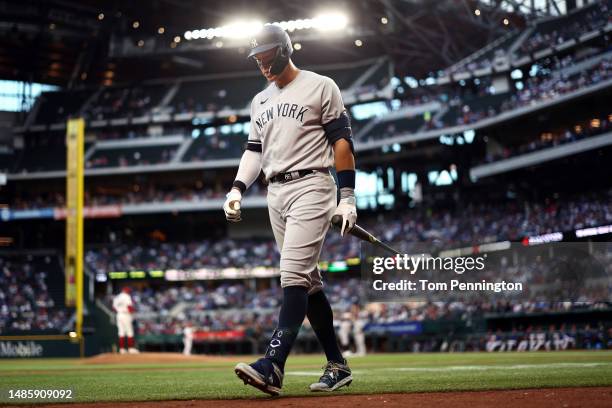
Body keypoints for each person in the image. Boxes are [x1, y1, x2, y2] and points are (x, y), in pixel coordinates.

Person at [225, 24, 356, 396]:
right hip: (275, 192)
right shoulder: (259, 101)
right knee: (309, 282)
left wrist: (347, 197)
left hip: (313, 184)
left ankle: (273, 365)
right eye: (258, 60)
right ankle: (338, 365)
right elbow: (254, 151)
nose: (263, 65)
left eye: (268, 57)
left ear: (285, 50)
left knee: (292, 275)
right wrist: (237, 188)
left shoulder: (320, 85)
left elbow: (342, 143)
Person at [112, 287, 139, 354]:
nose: (129, 292)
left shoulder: (117, 297)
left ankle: (122, 349)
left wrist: (119, 310)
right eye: (129, 291)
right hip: (126, 315)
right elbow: (129, 307)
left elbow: (114, 308)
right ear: (126, 291)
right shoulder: (127, 297)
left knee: (121, 332)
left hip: (119, 315)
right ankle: (131, 349)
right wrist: (133, 312)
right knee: (129, 331)